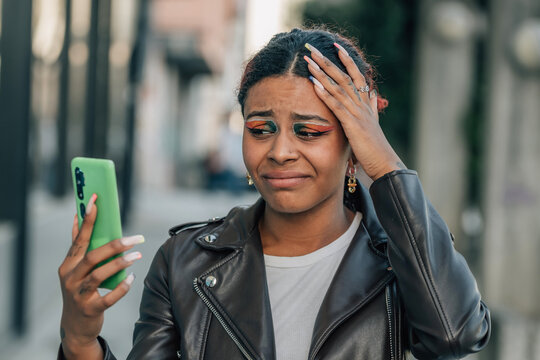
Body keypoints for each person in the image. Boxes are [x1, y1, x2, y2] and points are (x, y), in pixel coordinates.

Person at [58, 28, 491, 360]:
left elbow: (455, 334)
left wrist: (384, 163)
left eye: (311, 131)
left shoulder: (401, 261)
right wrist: (79, 337)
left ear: (355, 145)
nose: (280, 151)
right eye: (260, 129)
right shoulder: (183, 260)